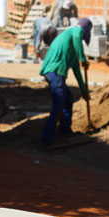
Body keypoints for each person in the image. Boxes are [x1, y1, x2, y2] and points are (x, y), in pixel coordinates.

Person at [39, 18, 92, 146]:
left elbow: (78, 73)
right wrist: (83, 58)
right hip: (54, 71)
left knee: (68, 99)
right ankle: (47, 138)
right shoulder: (75, 31)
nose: (81, 39)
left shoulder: (71, 50)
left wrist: (84, 91)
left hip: (55, 73)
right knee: (59, 103)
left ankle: (65, 130)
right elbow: (77, 35)